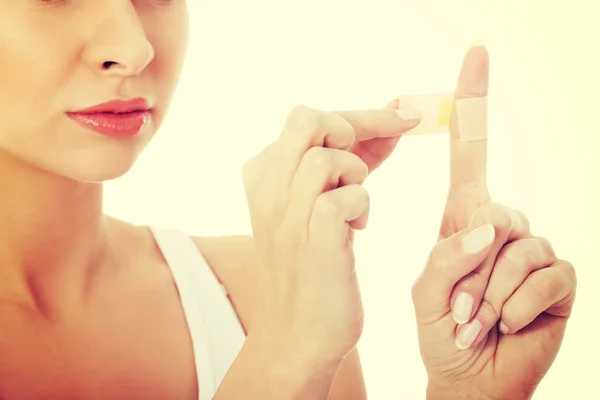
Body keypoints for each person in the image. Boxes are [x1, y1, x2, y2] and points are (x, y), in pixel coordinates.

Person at [0, 1, 576, 400]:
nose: (133, 47)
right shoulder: (287, 323)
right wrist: (286, 355)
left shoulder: (268, 295)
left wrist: (464, 393)